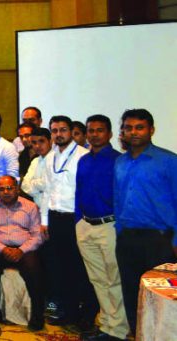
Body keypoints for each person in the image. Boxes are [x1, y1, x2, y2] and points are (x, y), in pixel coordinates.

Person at [114, 109, 177, 335]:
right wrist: (119, 229)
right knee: (131, 292)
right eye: (128, 128)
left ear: (151, 130)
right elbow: (118, 197)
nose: (134, 132)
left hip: (158, 240)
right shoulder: (120, 162)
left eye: (139, 127)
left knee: (159, 297)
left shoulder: (168, 161)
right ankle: (137, 334)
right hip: (127, 237)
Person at [40, 116, 97, 330]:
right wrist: (44, 221)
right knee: (60, 268)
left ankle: (86, 314)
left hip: (77, 218)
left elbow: (86, 192)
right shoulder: (49, 157)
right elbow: (47, 191)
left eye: (63, 130)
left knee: (80, 268)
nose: (58, 134)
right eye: (54, 130)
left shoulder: (83, 155)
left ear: (72, 132)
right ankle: (68, 312)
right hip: (55, 218)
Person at [75, 115, 128, 341]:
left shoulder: (119, 161)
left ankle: (119, 329)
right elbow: (78, 192)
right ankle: (107, 324)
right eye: (90, 130)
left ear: (109, 134)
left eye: (99, 130)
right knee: (97, 279)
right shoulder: (83, 161)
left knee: (113, 279)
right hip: (85, 226)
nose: (94, 134)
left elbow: (124, 197)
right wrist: (78, 221)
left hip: (109, 226)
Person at [0, 176, 45, 331]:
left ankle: (37, 313)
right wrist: (3, 249)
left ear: (17, 188)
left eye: (9, 188)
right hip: (0, 248)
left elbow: (37, 235)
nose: (6, 192)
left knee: (34, 268)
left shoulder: (30, 207)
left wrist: (21, 250)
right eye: (2, 189)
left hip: (25, 248)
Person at [21, 128, 53, 225]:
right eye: (34, 143)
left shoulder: (57, 160)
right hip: (38, 210)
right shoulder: (35, 161)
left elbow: (50, 184)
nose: (37, 146)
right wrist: (40, 190)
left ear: (50, 141)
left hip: (54, 211)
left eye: (42, 141)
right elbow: (24, 185)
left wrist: (34, 184)